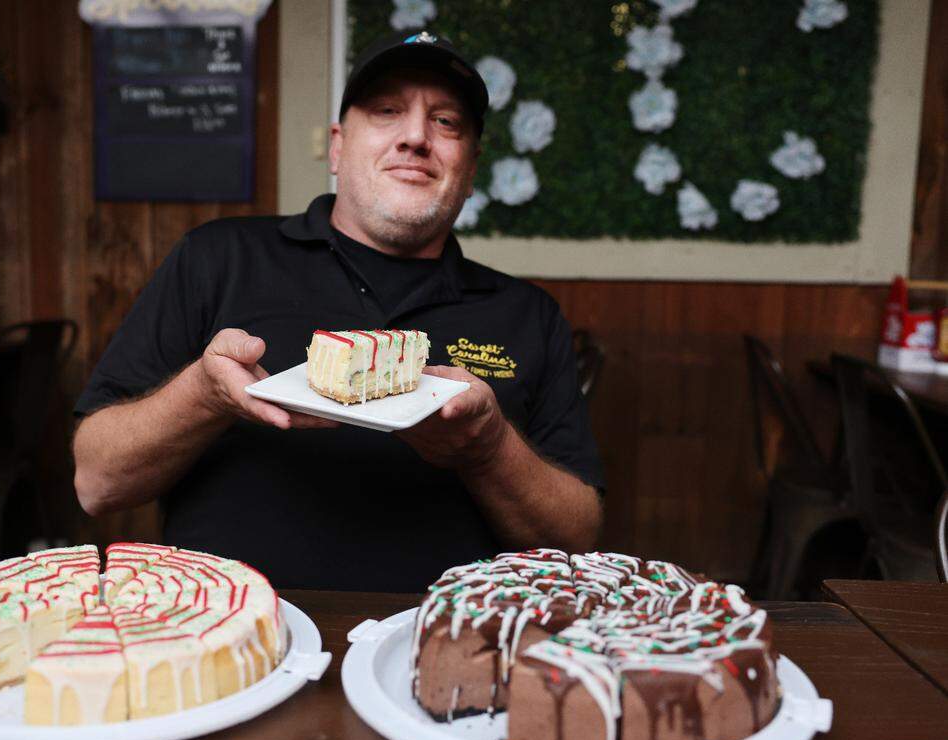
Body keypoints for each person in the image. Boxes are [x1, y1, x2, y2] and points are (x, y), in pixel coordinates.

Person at [73, 31, 604, 591]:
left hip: (440, 646)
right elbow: (97, 483)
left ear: (471, 169)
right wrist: (203, 394)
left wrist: (489, 448)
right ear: (337, 147)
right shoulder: (219, 258)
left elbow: (576, 541)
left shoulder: (527, 313)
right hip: (236, 635)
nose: (417, 137)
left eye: (447, 122)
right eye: (387, 111)